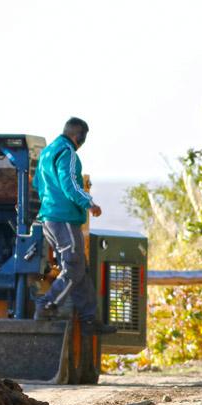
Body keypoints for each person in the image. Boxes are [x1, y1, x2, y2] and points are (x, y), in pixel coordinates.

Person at [32, 117, 116, 335]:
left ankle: (89, 320)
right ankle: (46, 304)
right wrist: (89, 203)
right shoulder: (67, 152)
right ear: (78, 136)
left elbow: (36, 183)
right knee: (73, 267)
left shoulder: (47, 152)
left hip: (49, 219)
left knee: (79, 270)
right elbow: (69, 183)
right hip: (64, 219)